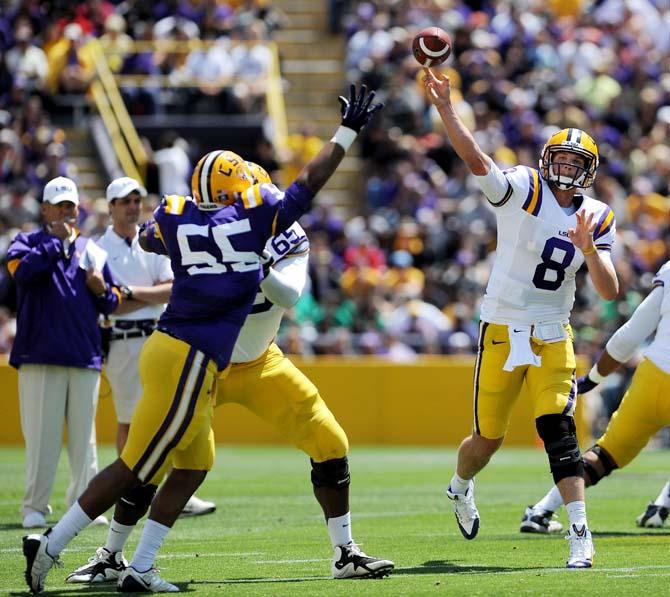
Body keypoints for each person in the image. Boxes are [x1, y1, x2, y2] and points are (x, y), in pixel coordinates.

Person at [22, 83, 383, 594]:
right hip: (199, 358)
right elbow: (304, 187)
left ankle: (343, 551)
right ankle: (101, 554)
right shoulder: (258, 213)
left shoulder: (182, 213)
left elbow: (286, 293)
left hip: (255, 360)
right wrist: (344, 135)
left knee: (318, 442)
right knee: (145, 464)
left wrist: (246, 264)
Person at [422, 68, 619, 569]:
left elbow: (609, 290)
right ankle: (459, 486)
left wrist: (590, 251)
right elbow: (477, 160)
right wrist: (447, 109)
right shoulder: (524, 188)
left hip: (555, 331)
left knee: (559, 427)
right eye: (563, 159)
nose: (569, 169)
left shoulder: (597, 215)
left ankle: (579, 531)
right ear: (547, 161)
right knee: (487, 439)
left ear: (590, 170)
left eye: (579, 162)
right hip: (503, 328)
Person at [520, 260, 670, 534]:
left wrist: (594, 378)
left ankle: (542, 509)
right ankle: (662, 506)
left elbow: (631, 334)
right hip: (655, 371)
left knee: (606, 454)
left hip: (655, 375)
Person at [97, 176, 216, 517]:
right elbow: (109, 303)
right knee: (129, 420)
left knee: (173, 413)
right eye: (125, 202)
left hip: (160, 335)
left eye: (136, 200)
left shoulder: (154, 240)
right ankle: (132, 489)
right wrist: (141, 294)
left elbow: (171, 288)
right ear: (111, 207)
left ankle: (173, 493)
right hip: (123, 339)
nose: (133, 207)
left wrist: (130, 293)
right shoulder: (98, 248)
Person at [8, 176, 120, 530]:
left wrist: (102, 290)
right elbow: (21, 276)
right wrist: (56, 245)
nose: (65, 212)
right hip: (39, 354)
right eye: (58, 206)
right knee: (42, 436)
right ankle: (33, 507)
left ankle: (83, 507)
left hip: (84, 353)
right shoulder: (24, 243)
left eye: (70, 205)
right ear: (44, 209)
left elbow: (112, 300)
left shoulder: (94, 249)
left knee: (84, 441)